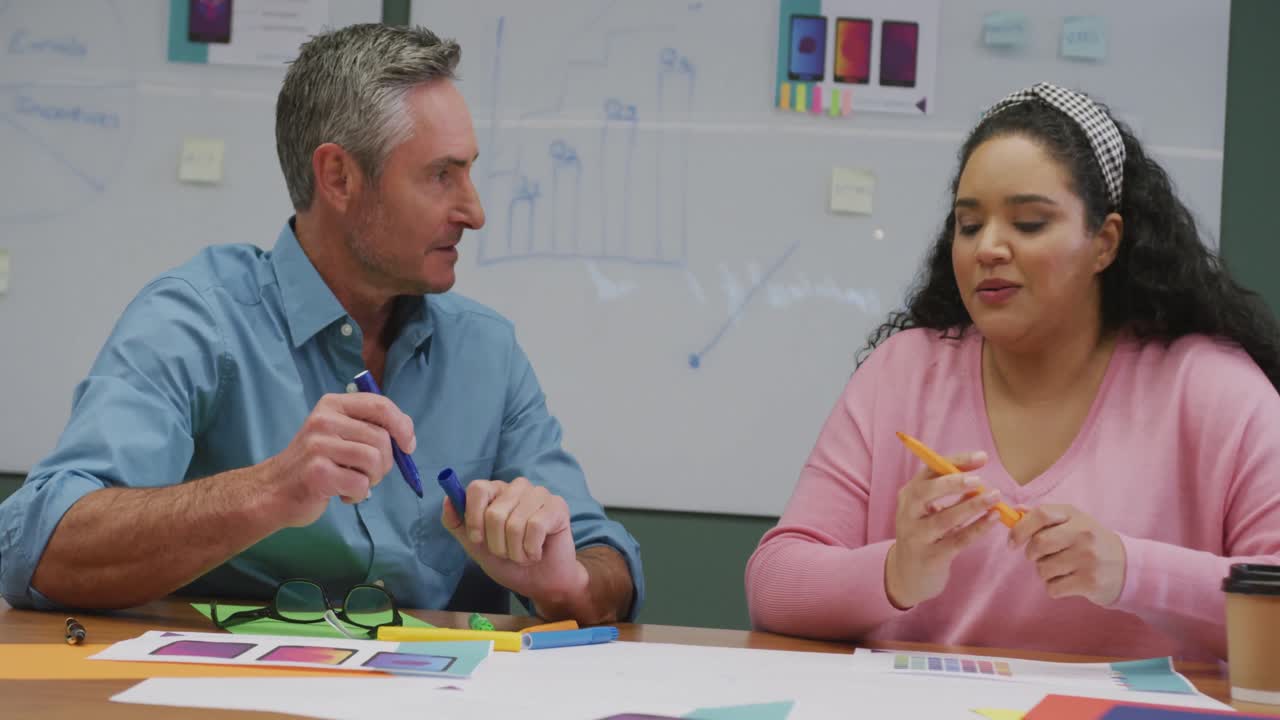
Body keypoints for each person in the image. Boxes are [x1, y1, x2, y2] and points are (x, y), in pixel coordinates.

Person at [0, 23, 642, 625]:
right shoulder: (199, 318)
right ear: (338, 177)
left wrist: (566, 582)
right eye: (441, 176)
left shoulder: (487, 348)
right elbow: (38, 546)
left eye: (469, 171)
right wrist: (267, 491)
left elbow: (608, 557)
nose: (473, 212)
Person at [745, 82, 1280, 661]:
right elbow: (773, 584)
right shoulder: (903, 371)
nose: (988, 248)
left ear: (1105, 242)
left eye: (1028, 223)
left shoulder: (1213, 388)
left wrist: (1131, 570)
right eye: (969, 226)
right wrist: (897, 571)